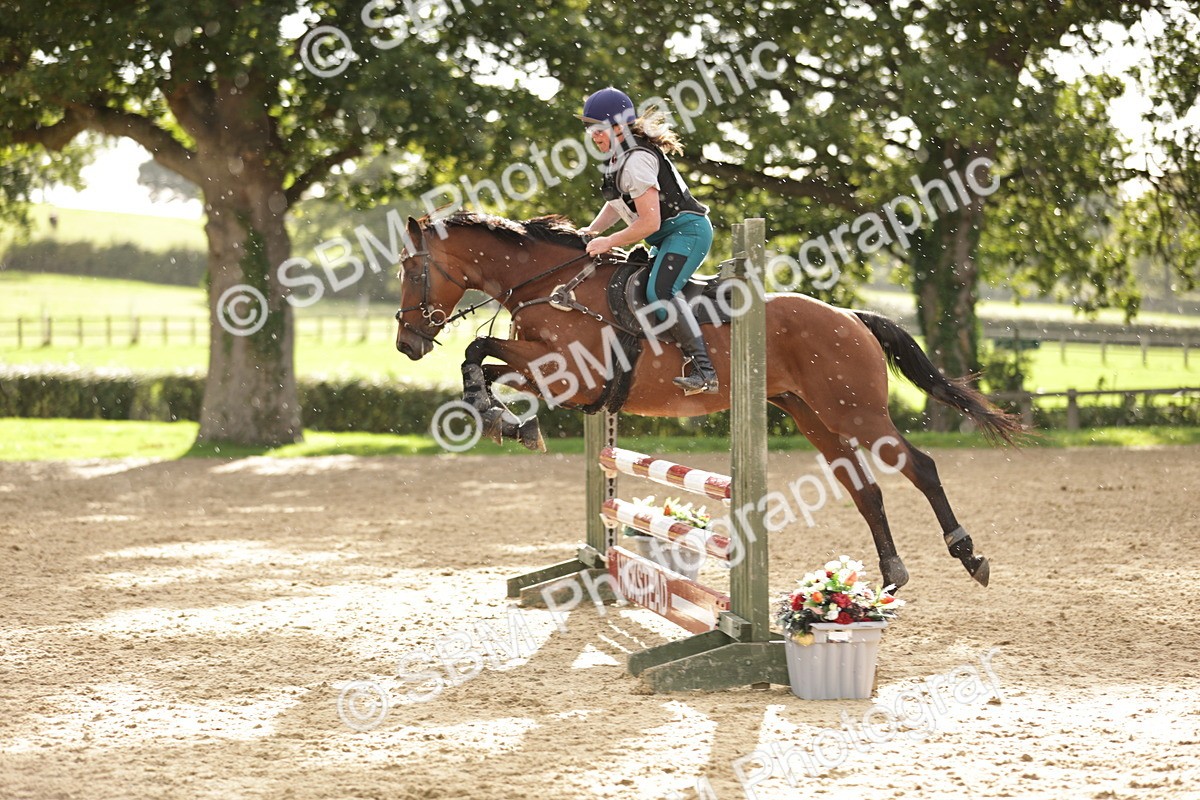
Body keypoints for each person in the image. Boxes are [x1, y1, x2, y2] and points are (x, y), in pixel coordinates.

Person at [577, 87, 719, 395]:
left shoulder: (636, 160)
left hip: (687, 232)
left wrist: (608, 241)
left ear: (618, 127)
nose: (593, 136)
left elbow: (649, 222)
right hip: (668, 234)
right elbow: (617, 205)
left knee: (660, 290)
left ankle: (704, 370)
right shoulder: (619, 156)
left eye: (597, 129)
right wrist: (591, 231)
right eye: (588, 129)